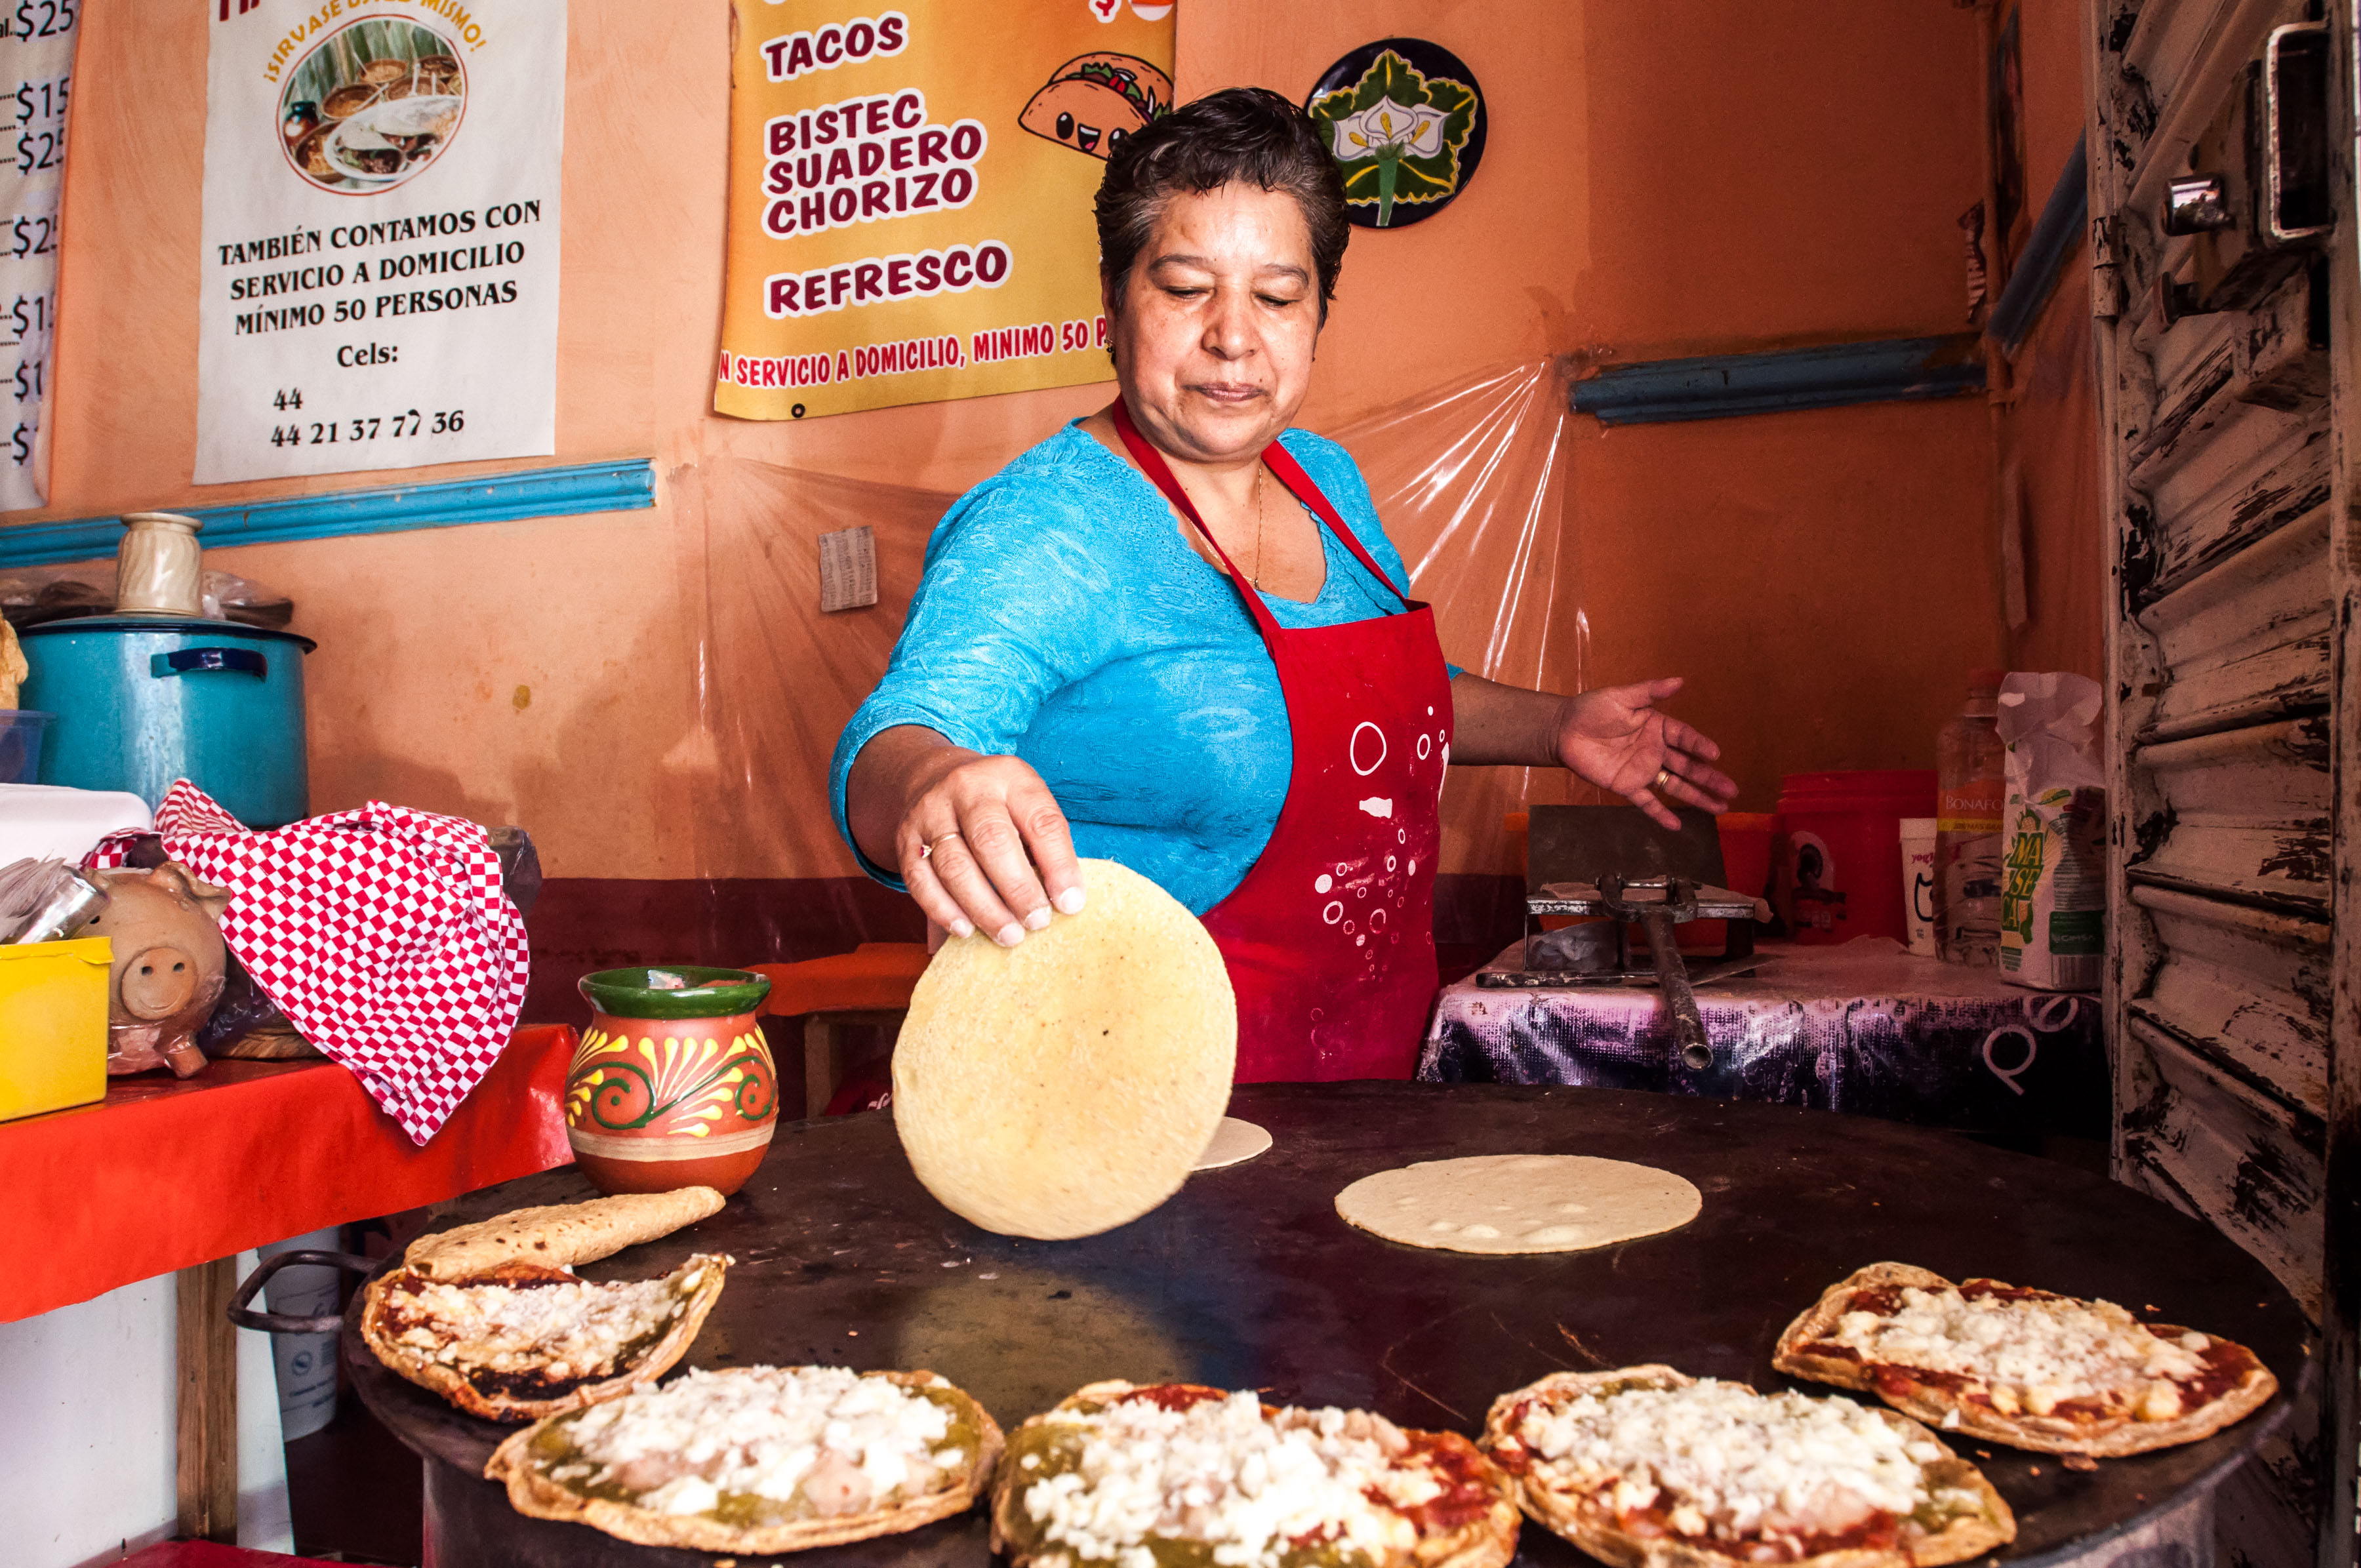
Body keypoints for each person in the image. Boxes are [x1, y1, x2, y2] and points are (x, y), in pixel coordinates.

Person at [832, 87, 1735, 1081]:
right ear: (1112, 298)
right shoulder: (1051, 524)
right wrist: (927, 779)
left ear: (1318, 315)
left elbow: (1370, 704)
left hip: (1365, 1080)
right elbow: (897, 736)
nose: (1232, 335)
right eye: (1183, 287)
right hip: (1118, 1100)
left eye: (1276, 295)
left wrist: (1556, 725)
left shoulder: (1326, 482)